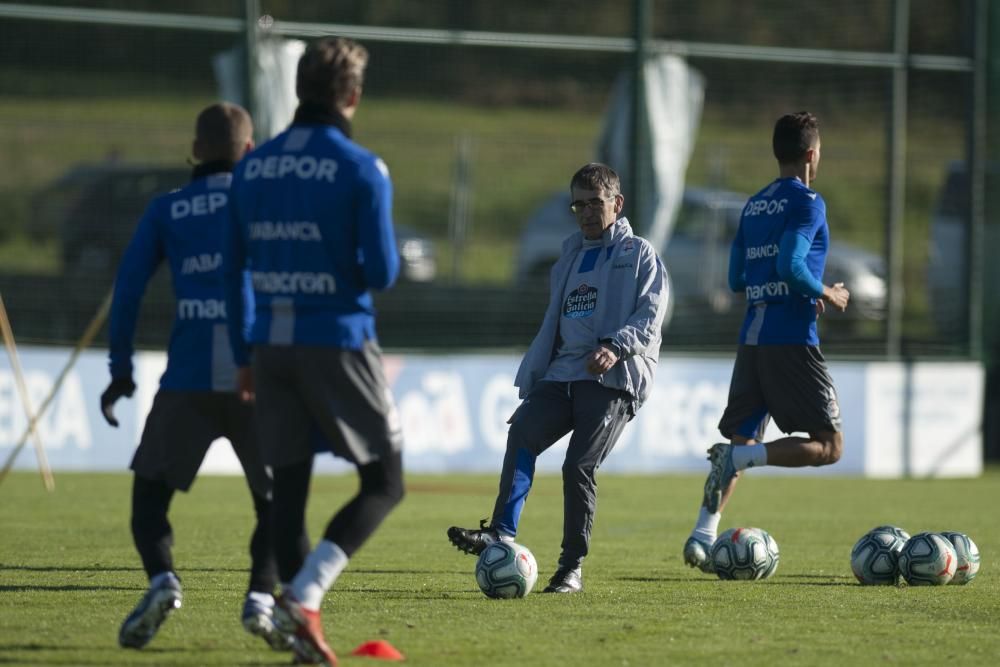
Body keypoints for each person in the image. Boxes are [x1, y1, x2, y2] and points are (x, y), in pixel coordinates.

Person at [222, 37, 404, 666]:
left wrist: (245, 350)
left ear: (299, 86)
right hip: (338, 341)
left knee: (289, 491)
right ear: (351, 95)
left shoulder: (252, 167)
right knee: (384, 480)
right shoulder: (361, 168)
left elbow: (233, 269)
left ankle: (302, 631)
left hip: (269, 345)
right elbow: (380, 272)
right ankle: (305, 598)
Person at [102, 103, 290, 651]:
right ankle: (259, 598)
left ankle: (163, 580)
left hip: (186, 379)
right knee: (274, 503)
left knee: (149, 503)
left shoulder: (167, 209)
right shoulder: (268, 204)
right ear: (250, 151)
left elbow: (128, 292)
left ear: (195, 150)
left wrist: (120, 371)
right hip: (257, 376)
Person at [447, 163, 669, 593]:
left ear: (616, 204)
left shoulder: (639, 254)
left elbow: (651, 317)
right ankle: (500, 532)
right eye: (579, 205)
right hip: (563, 375)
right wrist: (536, 375)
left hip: (613, 379)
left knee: (578, 466)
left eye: (595, 203)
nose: (586, 213)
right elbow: (556, 323)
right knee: (523, 435)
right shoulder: (568, 256)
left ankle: (572, 567)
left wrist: (615, 345)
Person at [683, 111, 851, 573]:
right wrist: (825, 292)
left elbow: (738, 278)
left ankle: (702, 535)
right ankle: (741, 458)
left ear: (777, 152)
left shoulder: (753, 205)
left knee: (744, 436)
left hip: (752, 339)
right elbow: (790, 266)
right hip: (791, 339)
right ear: (813, 153)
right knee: (829, 446)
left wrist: (787, 287)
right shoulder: (809, 203)